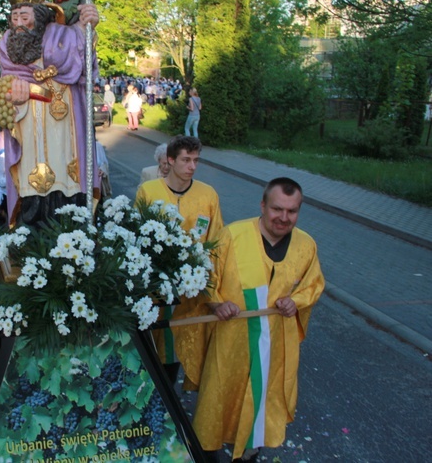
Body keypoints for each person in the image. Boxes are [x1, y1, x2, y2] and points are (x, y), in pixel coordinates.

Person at [193, 177, 324, 462]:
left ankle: (250, 451)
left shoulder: (306, 245)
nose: (284, 218)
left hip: (274, 346)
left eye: (292, 211)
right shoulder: (233, 235)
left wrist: (296, 302)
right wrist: (216, 303)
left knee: (261, 400)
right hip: (232, 339)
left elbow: (312, 286)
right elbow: (205, 276)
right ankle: (208, 451)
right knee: (219, 399)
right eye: (277, 209)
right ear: (263, 205)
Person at [0, 0, 101, 225]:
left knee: (68, 186)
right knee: (32, 187)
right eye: (14, 18)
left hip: (66, 131)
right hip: (29, 133)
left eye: (24, 18)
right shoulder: (8, 46)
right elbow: (2, 93)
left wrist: (89, 27)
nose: (19, 24)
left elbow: (86, 68)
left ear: (39, 16)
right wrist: (12, 94)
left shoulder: (63, 37)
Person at [136, 136, 223, 388]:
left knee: (181, 349)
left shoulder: (208, 195)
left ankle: (171, 402)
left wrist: (212, 285)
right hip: (157, 291)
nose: (192, 166)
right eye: (186, 160)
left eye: (196, 160)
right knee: (154, 349)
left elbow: (217, 241)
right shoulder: (149, 192)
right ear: (170, 161)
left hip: (192, 294)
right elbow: (137, 238)